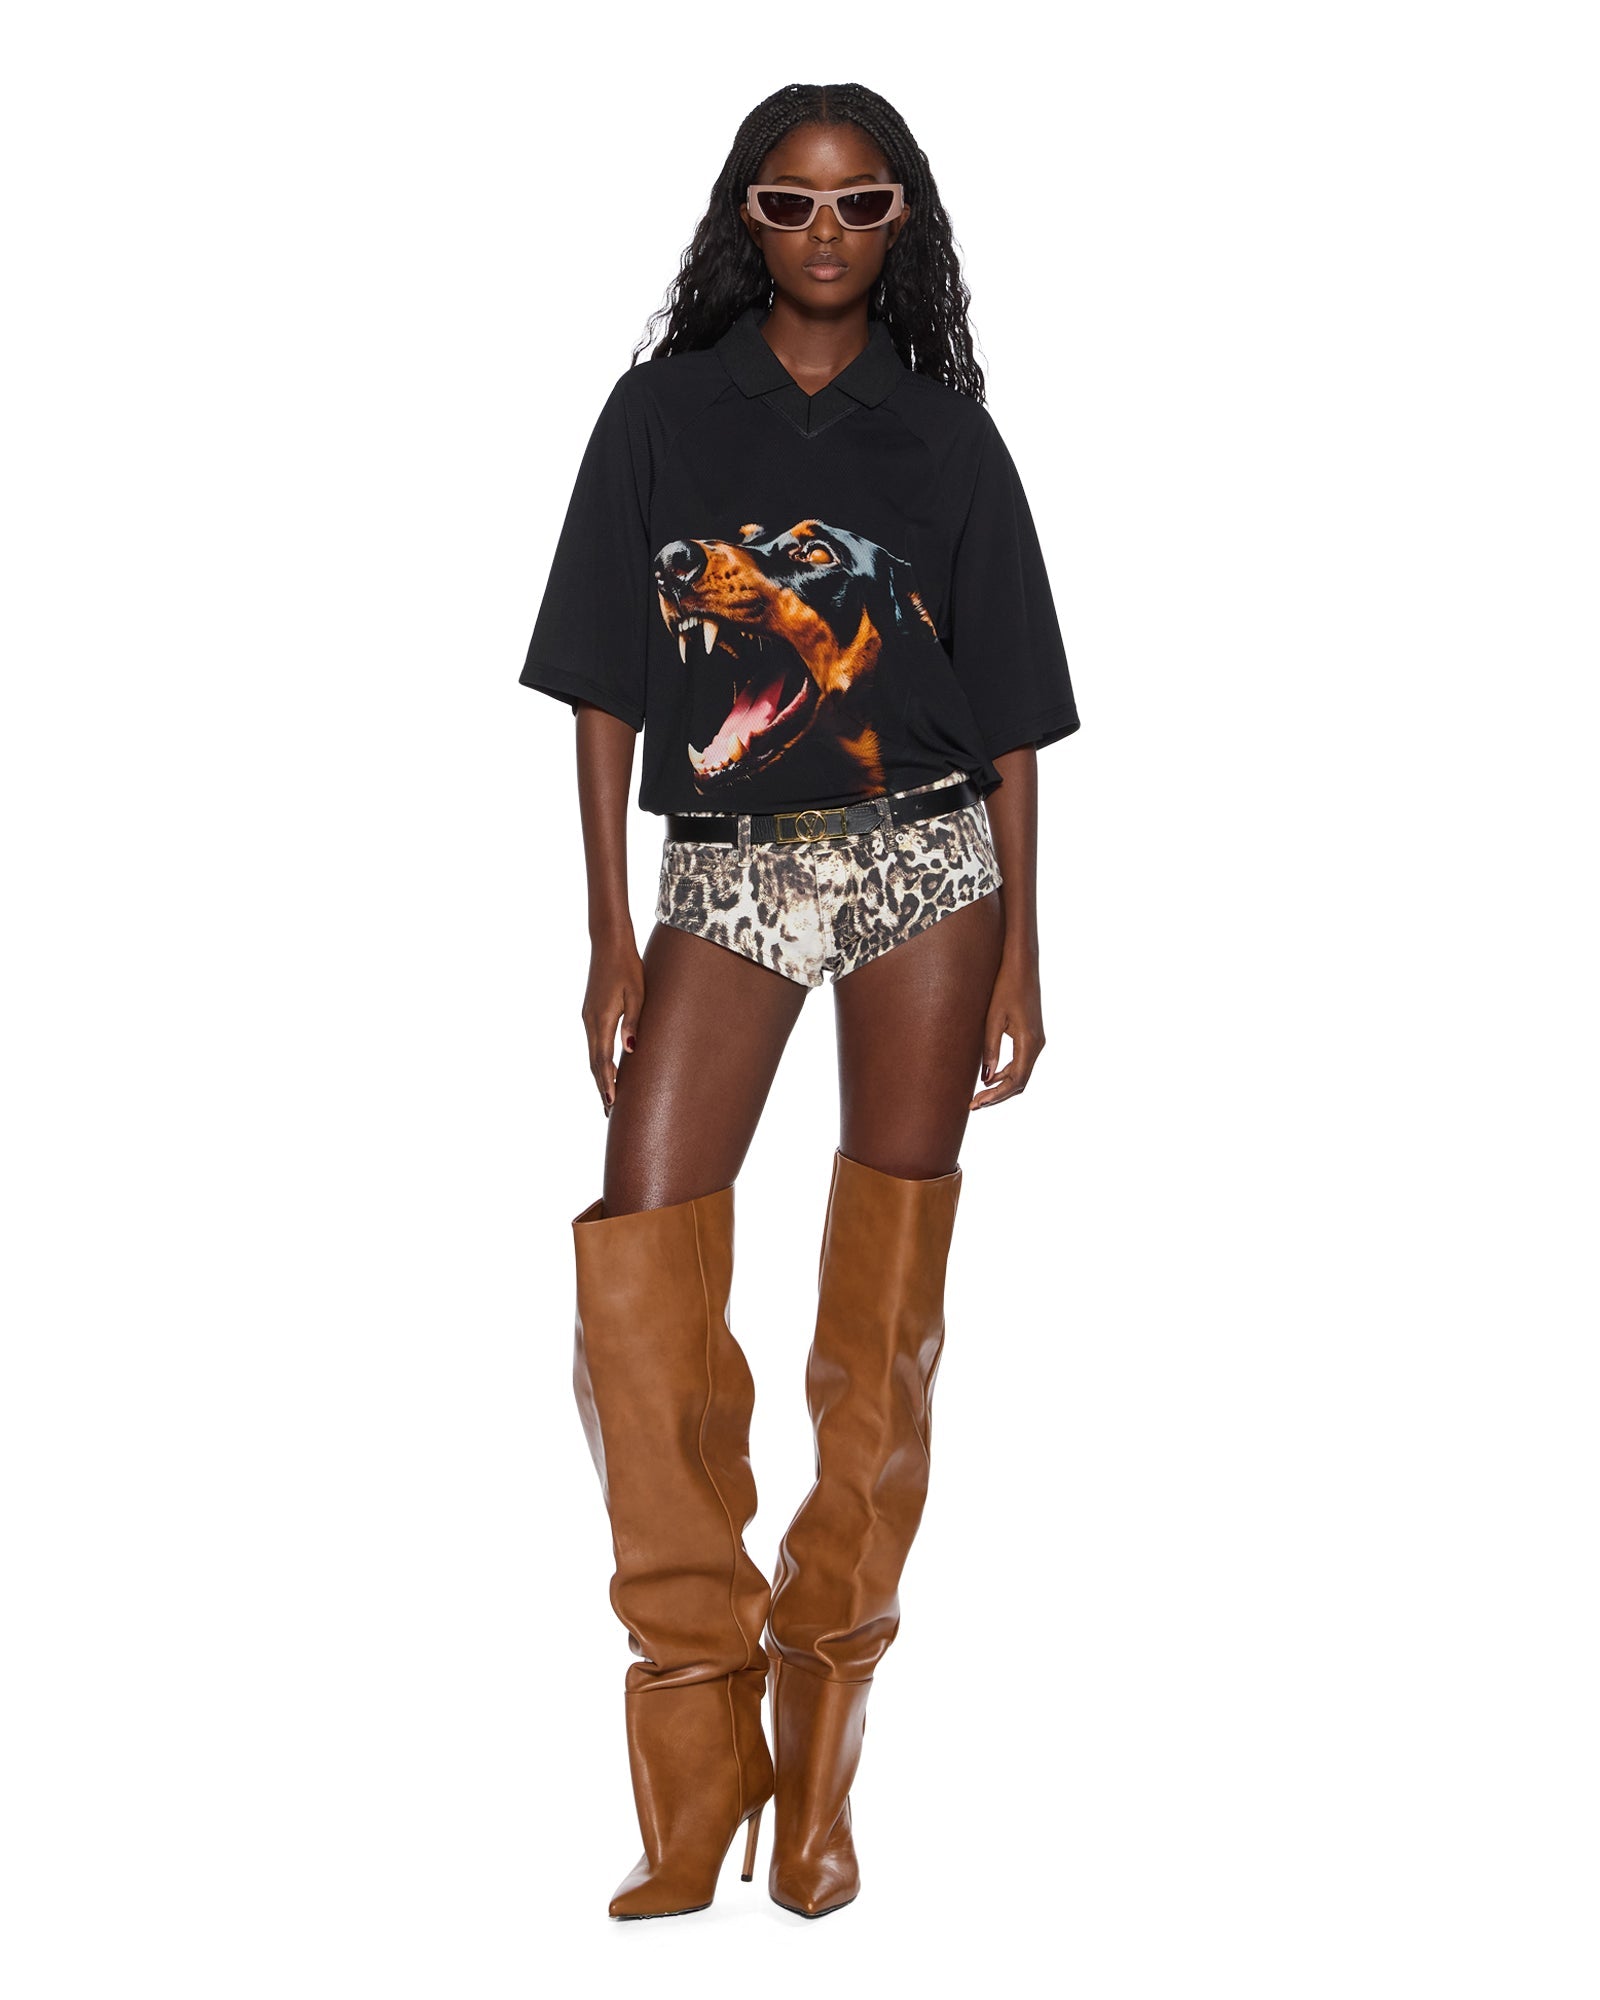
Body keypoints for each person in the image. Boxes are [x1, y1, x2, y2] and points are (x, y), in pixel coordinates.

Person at [518, 80, 1079, 1921]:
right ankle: (696, 1754)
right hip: (728, 873)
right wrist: (611, 930)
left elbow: (1010, 716)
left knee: (884, 1316)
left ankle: (821, 1758)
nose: (824, 232)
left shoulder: (951, 439)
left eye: (859, 203)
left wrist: (1025, 947)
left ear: (902, 222)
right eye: (789, 201)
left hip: (929, 867)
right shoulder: (662, 416)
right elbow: (605, 685)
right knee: (640, 1252)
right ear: (743, 218)